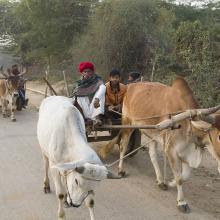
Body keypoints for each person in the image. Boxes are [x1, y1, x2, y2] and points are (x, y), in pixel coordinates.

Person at [72, 61, 106, 126]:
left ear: (92, 72)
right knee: (77, 97)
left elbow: (103, 87)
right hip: (85, 110)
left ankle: (96, 118)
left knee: (101, 94)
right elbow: (74, 94)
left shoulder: (97, 80)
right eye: (85, 72)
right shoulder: (79, 84)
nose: (87, 73)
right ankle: (85, 119)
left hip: (95, 104)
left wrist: (97, 99)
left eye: (89, 71)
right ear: (82, 73)